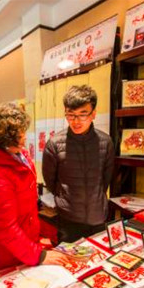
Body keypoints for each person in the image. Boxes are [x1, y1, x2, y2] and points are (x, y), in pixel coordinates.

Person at [0, 103, 70, 273]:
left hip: (23, 241)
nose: (24, 139)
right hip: (6, 253)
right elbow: (5, 228)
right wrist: (38, 255)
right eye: (20, 137)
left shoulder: (14, 153)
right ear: (2, 143)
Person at [42, 85, 115, 243]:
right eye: (70, 115)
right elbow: (50, 181)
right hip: (69, 219)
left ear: (93, 114)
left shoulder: (106, 142)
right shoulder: (54, 144)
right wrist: (65, 199)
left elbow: (106, 179)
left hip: (98, 217)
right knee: (70, 263)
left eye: (82, 115)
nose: (76, 121)